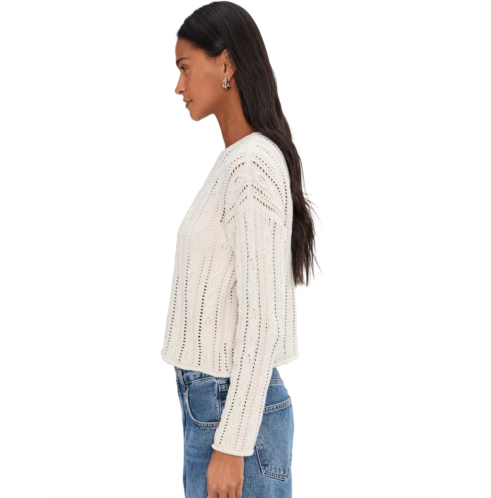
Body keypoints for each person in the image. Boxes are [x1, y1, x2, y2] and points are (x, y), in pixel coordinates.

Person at [161, 2, 318, 497]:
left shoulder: (250, 166)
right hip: (216, 403)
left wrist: (232, 443)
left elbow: (262, 316)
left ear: (225, 63)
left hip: (232, 410)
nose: (179, 86)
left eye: (185, 68)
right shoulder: (237, 161)